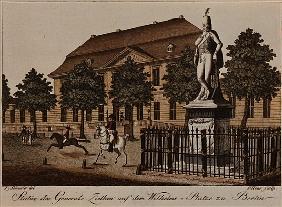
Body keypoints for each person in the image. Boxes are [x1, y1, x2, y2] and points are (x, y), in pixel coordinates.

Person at [194, 8, 223, 101]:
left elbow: (219, 43)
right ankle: (208, 90)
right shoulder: (201, 36)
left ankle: (203, 95)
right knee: (199, 77)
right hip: (201, 57)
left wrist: (215, 53)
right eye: (203, 26)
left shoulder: (211, 34)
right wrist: (202, 35)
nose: (205, 27)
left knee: (206, 77)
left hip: (209, 55)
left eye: (206, 25)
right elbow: (196, 44)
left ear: (209, 25)